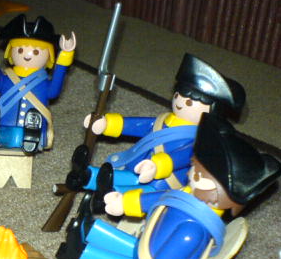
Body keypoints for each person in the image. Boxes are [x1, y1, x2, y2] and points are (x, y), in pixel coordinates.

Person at [57, 113, 281, 259]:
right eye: (194, 167)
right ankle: (90, 229)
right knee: (133, 249)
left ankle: (80, 254)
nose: (191, 174)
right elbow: (160, 199)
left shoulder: (193, 231)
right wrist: (124, 202)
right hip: (148, 248)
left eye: (199, 173)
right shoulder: (188, 196)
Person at [66, 54, 246, 209]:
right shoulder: (164, 121)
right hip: (139, 168)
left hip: (165, 181)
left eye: (189, 102)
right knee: (122, 177)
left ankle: (109, 194)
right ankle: (87, 175)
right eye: (179, 95)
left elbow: (183, 156)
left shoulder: (202, 140)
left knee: (139, 192)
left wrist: (158, 166)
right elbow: (139, 125)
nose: (180, 103)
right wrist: (107, 124)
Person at [0, 14, 76, 153]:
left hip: (35, 130)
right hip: (5, 124)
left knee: (35, 125)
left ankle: (30, 135)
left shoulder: (43, 83)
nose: (27, 55)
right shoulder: (7, 78)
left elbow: (54, 91)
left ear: (49, 55)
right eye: (20, 50)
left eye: (36, 51)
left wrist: (65, 55)